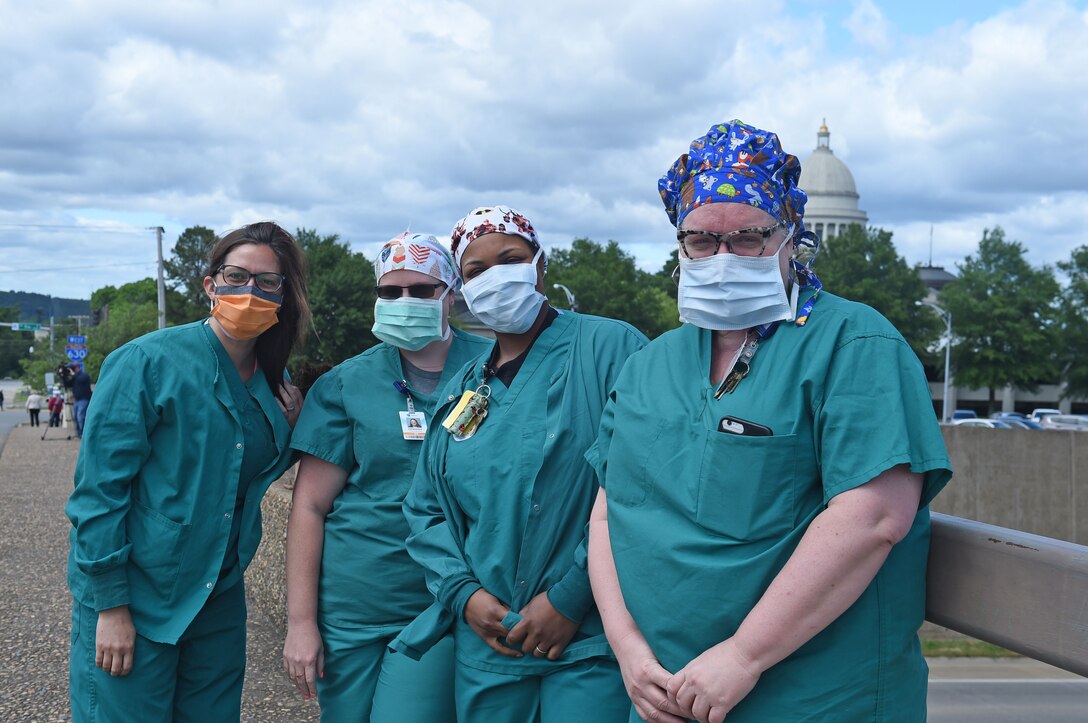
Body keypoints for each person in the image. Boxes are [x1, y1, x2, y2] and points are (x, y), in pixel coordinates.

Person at [586, 120, 954, 723]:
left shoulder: (855, 345)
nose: (722, 257)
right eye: (702, 241)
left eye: (749, 238)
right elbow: (607, 509)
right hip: (663, 693)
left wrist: (744, 656)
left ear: (792, 238)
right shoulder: (650, 365)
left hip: (810, 696)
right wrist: (627, 649)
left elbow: (873, 517)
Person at [393, 206, 647, 722]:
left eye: (510, 259)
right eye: (476, 270)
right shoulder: (466, 386)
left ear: (540, 264)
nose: (495, 277)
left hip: (590, 638)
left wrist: (572, 597)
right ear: (461, 287)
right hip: (490, 644)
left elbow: (642, 484)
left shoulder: (609, 348)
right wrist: (463, 594)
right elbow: (426, 509)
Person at [66, 221, 310, 722]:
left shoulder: (276, 380)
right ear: (210, 285)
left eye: (267, 282)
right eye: (236, 276)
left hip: (216, 596)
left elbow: (243, 471)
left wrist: (292, 431)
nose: (249, 291)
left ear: (284, 295)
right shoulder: (144, 363)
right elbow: (98, 495)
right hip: (138, 595)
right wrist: (111, 607)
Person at [282, 233, 491, 721]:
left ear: (451, 295)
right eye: (390, 292)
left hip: (446, 600)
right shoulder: (344, 385)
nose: (404, 301)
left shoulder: (493, 370)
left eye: (421, 290)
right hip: (354, 603)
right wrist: (301, 623)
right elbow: (310, 506)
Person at [71, 363, 93, 437]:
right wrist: (63, 377)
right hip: (76, 399)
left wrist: (73, 375)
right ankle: (79, 433)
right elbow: (68, 384)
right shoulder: (74, 377)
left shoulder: (83, 376)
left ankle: (84, 433)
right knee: (76, 417)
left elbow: (81, 379)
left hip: (84, 399)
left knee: (80, 416)